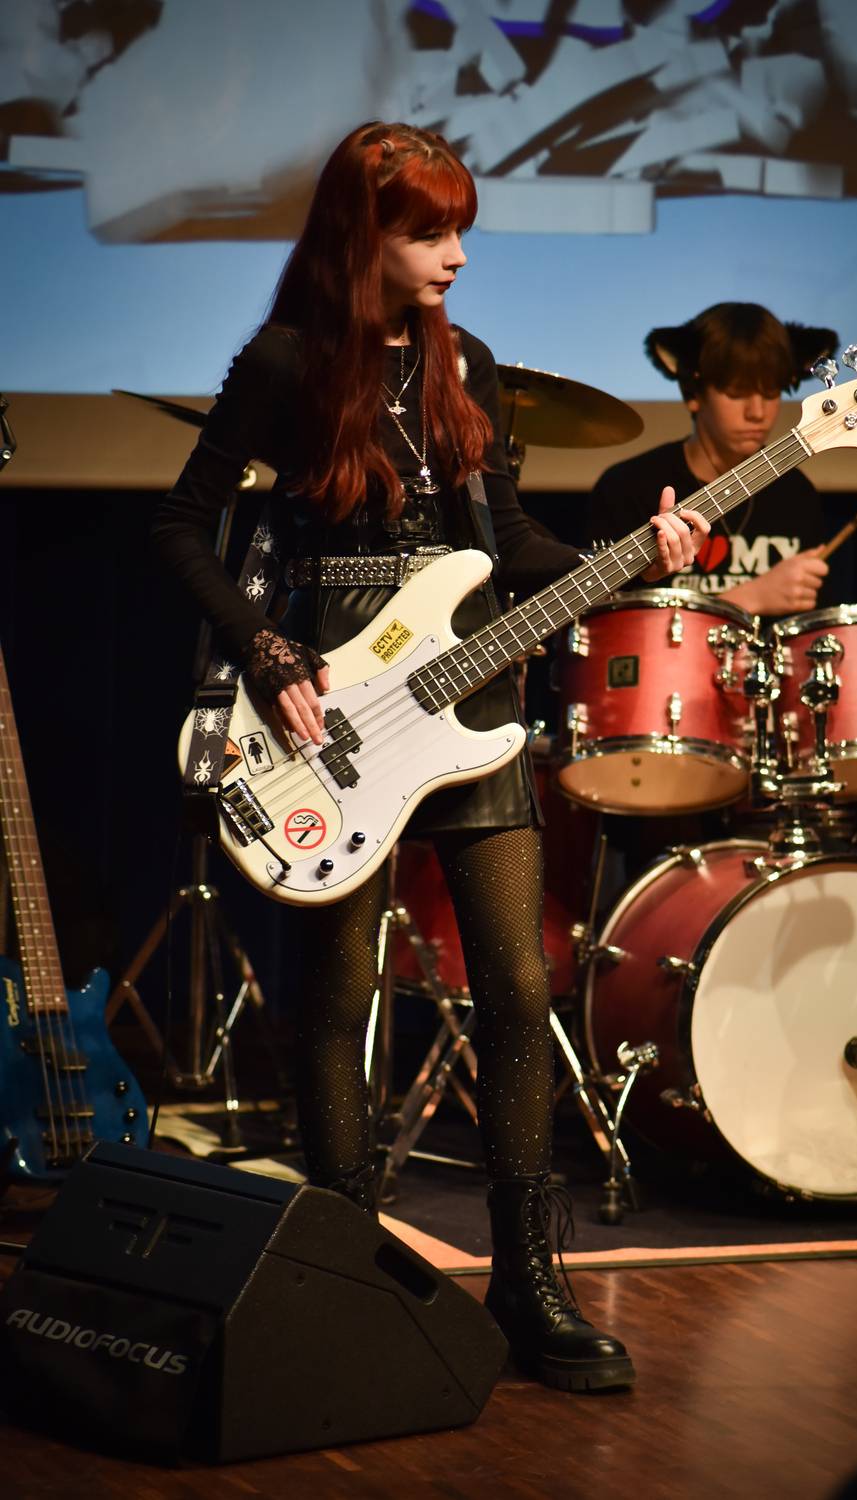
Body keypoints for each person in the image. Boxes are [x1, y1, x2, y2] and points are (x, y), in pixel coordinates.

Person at [152, 120, 706, 1393]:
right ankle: (342, 1275)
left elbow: (504, 540)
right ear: (365, 236)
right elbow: (179, 526)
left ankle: (528, 1282)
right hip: (330, 701)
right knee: (337, 997)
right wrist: (268, 655)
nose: (456, 254)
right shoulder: (285, 363)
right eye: (428, 232)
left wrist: (637, 560)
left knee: (516, 983)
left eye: (461, 229)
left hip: (469, 695)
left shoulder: (470, 366)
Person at [588, 301, 839, 617]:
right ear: (694, 394)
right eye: (737, 393)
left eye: (771, 393)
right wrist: (747, 598)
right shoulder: (628, 487)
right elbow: (604, 627)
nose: (757, 412)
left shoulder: (796, 495)